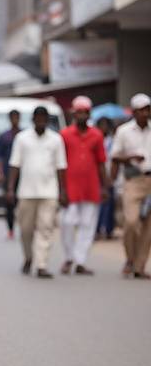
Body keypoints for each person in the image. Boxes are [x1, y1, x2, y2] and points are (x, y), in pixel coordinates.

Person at [7, 106, 67, 278]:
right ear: (33, 119)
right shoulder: (22, 138)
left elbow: (61, 167)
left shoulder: (56, 139)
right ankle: (28, 257)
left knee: (46, 228)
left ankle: (41, 264)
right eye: (38, 118)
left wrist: (63, 191)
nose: (41, 120)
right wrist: (10, 188)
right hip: (26, 192)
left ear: (47, 120)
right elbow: (15, 165)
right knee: (25, 230)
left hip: (49, 192)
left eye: (44, 118)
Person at [59, 96, 107, 275]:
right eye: (78, 112)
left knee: (88, 225)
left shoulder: (97, 135)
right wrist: (60, 189)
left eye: (85, 112)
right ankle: (69, 256)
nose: (81, 115)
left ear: (89, 114)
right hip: (70, 187)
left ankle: (80, 261)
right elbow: (59, 163)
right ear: (73, 113)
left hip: (91, 186)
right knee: (67, 222)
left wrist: (105, 186)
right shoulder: (64, 134)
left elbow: (101, 162)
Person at [111, 93, 151, 279]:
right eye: (142, 110)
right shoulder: (123, 131)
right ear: (134, 112)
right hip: (133, 180)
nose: (146, 113)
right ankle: (130, 257)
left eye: (148, 109)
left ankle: (139, 266)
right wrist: (130, 157)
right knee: (131, 221)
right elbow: (115, 156)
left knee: (148, 228)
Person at [0, 109, 21, 239]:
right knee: (9, 203)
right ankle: (11, 229)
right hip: (8, 173)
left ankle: (23, 227)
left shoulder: (23, 135)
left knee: (21, 201)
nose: (15, 120)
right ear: (10, 119)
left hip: (22, 175)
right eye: (13, 117)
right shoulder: (4, 136)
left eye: (17, 117)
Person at [96, 117, 116, 239]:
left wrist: (111, 177)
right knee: (98, 205)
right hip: (97, 177)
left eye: (105, 125)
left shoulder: (112, 141)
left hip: (109, 176)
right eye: (101, 125)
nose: (104, 127)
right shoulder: (96, 140)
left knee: (109, 204)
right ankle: (97, 229)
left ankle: (109, 230)